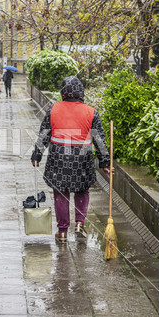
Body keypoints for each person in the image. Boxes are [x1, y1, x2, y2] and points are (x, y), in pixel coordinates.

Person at [31, 75, 112, 243]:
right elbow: (99, 140)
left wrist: (37, 155)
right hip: (82, 158)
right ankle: (79, 224)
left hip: (58, 158)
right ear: (81, 92)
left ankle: (62, 232)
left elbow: (44, 135)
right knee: (82, 190)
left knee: (61, 193)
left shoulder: (53, 109)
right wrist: (105, 163)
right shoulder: (91, 112)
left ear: (63, 92)